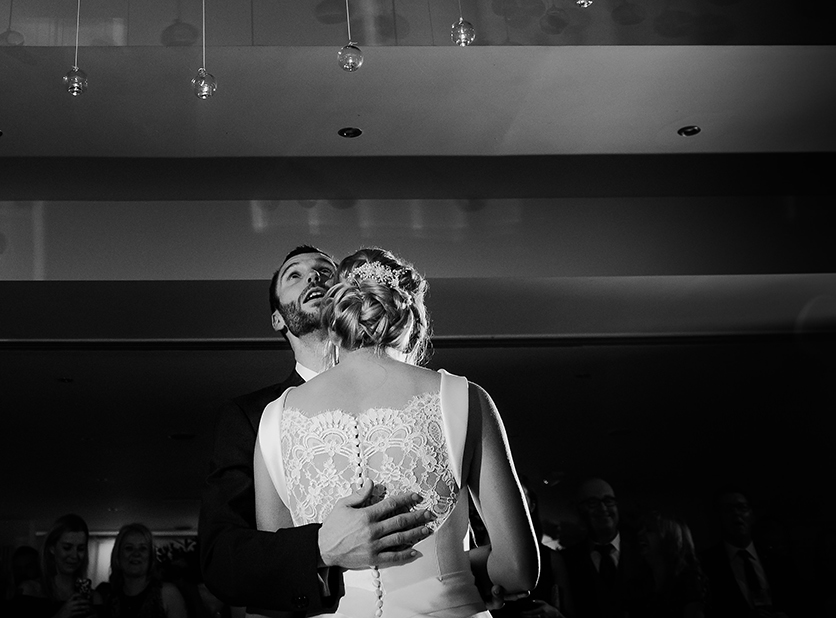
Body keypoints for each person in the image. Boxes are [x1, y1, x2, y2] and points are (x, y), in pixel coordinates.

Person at [251, 247, 539, 618]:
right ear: (412, 321)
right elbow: (519, 570)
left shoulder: (275, 418)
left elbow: (279, 575)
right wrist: (454, 569)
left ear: (337, 316)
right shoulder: (463, 398)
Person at [199, 245, 439, 616]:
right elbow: (221, 560)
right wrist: (321, 548)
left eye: (325, 271)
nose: (313, 277)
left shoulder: (424, 397)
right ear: (278, 319)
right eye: (294, 275)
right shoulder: (252, 416)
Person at [558, 479, 643, 618]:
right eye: (593, 503)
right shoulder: (568, 561)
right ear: (580, 510)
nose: (603, 508)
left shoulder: (641, 552)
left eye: (608, 500)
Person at [702, 492, 794, 618]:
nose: (736, 513)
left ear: (752, 514)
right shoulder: (706, 564)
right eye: (728, 509)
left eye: (742, 508)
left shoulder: (775, 559)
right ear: (718, 517)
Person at [12, 516, 99, 618]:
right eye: (67, 548)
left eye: (80, 549)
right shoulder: (30, 590)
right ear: (52, 548)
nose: (74, 555)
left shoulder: (94, 598)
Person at [98, 524, 187, 618]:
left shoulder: (167, 594)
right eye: (129, 548)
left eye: (142, 548)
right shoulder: (110, 599)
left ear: (150, 556)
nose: (136, 553)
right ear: (118, 555)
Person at [631, 510, 704, 618]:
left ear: (669, 538)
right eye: (641, 529)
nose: (640, 534)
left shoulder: (689, 582)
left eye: (649, 530)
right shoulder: (640, 583)